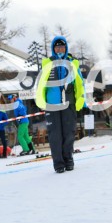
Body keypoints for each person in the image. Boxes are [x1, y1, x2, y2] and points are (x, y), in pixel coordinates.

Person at [35, 36, 85, 173]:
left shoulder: (73, 63)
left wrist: (81, 99)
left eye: (62, 47)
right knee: (55, 135)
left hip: (69, 103)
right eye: (57, 47)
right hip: (52, 104)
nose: (59, 50)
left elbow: (80, 83)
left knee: (69, 133)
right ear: (53, 49)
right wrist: (40, 100)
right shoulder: (47, 63)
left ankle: (68, 160)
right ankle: (58, 164)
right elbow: (40, 84)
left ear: (66, 48)